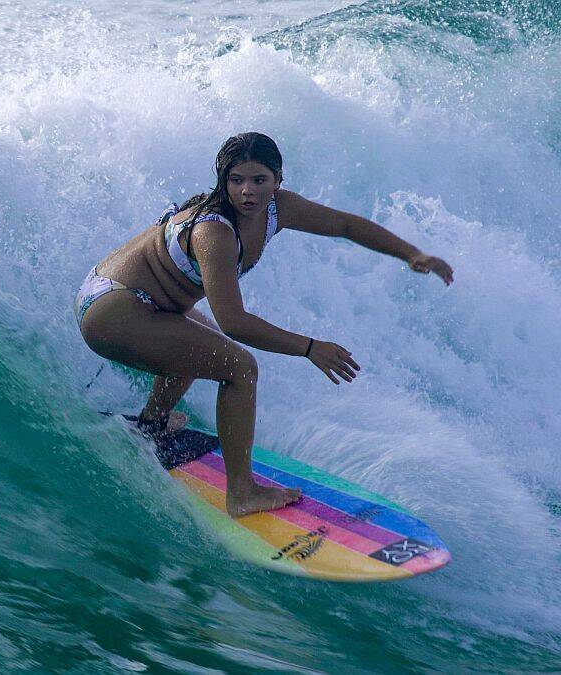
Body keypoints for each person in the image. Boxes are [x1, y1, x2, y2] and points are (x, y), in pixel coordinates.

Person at [74, 132, 454, 517]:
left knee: (203, 345)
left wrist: (411, 253)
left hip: (146, 303)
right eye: (236, 180)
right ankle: (241, 494)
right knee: (238, 365)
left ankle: (152, 424)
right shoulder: (215, 231)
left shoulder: (278, 209)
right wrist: (309, 347)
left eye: (259, 180)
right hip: (114, 308)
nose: (247, 192)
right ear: (223, 180)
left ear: (278, 180)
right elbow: (235, 322)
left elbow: (345, 226)